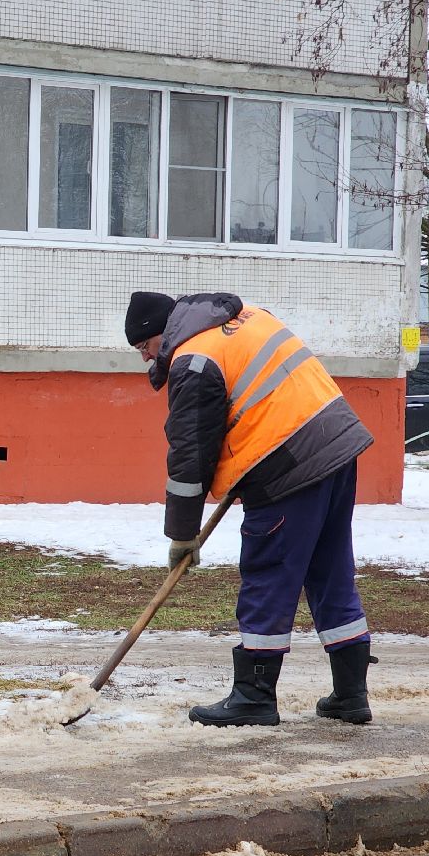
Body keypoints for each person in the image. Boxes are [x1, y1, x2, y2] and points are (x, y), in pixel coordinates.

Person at [124, 290, 377, 728]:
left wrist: (182, 535)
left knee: (268, 573)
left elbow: (189, 456)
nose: (147, 359)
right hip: (337, 444)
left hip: (287, 463)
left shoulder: (194, 359)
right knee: (329, 569)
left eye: (144, 348)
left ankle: (254, 696)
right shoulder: (245, 319)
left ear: (159, 334)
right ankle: (351, 695)